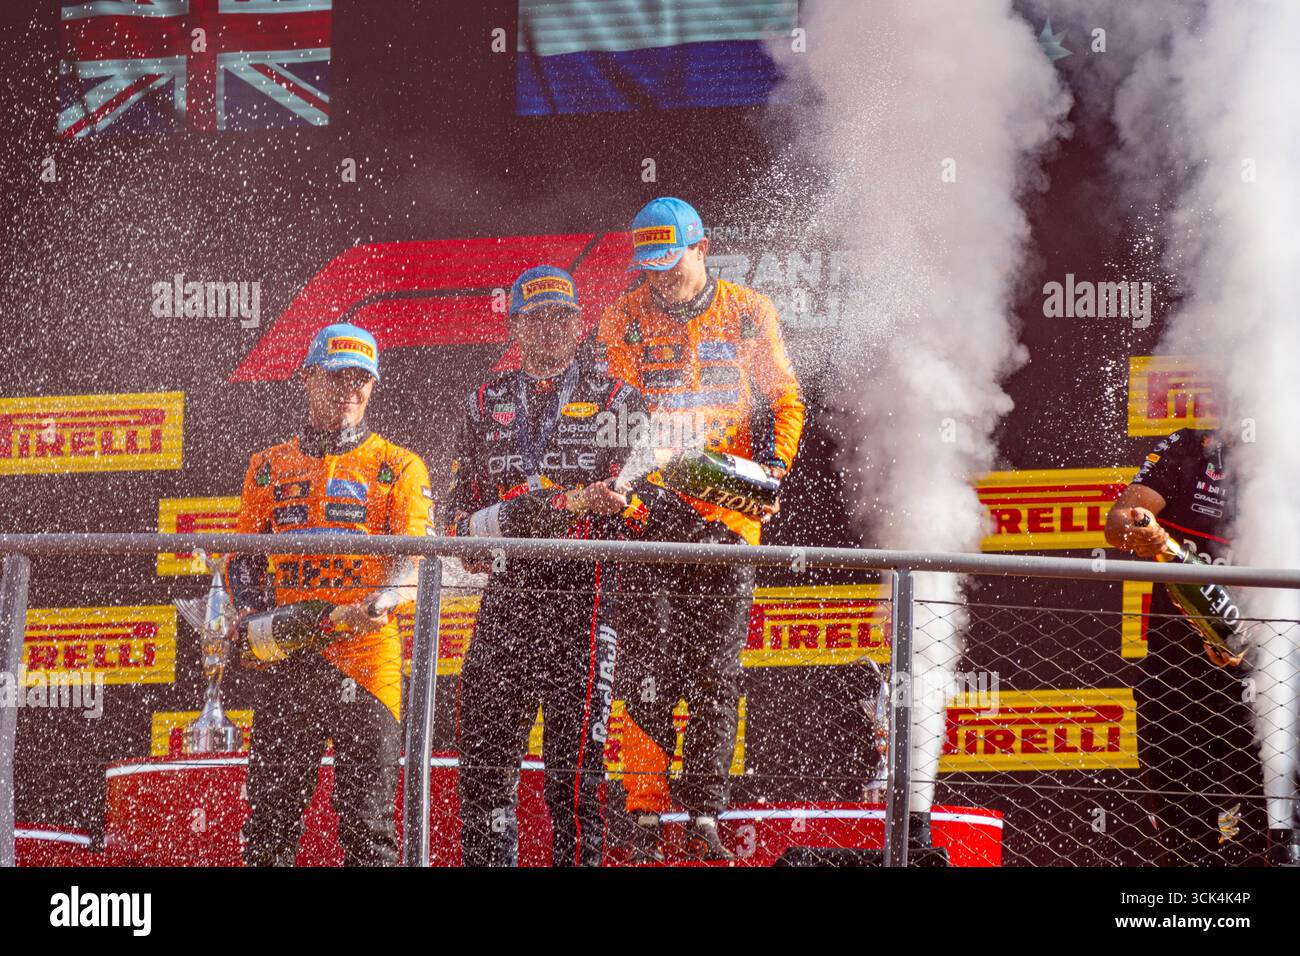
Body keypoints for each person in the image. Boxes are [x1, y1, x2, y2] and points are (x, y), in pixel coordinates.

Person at [597, 197, 805, 861]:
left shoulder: (749, 309)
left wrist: (770, 473)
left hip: (727, 512)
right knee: (645, 670)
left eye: (671, 261)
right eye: (649, 265)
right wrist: (632, 473)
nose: (660, 276)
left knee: (716, 671)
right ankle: (644, 813)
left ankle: (707, 813)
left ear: (702, 247)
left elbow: (784, 399)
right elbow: (617, 407)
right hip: (649, 511)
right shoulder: (623, 315)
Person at [449, 265, 644, 867]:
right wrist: (556, 505)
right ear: (514, 325)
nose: (550, 329)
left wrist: (543, 510)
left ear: (582, 324)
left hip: (583, 603)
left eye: (563, 316)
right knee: (484, 772)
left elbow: (631, 509)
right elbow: (461, 525)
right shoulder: (486, 401)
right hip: (507, 600)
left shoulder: (619, 400)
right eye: (535, 316)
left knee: (576, 782)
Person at [228, 323, 432, 866]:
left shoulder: (400, 466)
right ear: (308, 377)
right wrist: (249, 616)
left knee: (368, 828)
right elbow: (243, 558)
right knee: (270, 823)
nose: (351, 390)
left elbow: (415, 561)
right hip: (289, 655)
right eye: (339, 377)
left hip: (368, 664)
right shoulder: (267, 466)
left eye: (362, 379)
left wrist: (380, 602)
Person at [1105, 427, 1269, 866]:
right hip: (1178, 677)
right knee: (1186, 842)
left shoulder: (1286, 459)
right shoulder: (1190, 447)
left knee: (1274, 833)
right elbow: (1119, 521)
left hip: (1269, 682)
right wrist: (1143, 530)